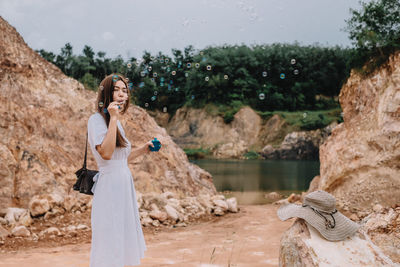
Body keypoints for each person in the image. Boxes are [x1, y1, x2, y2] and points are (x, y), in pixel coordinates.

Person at [87, 73, 153, 267]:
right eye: (116, 89)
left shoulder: (116, 123)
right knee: (110, 240)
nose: (122, 94)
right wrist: (113, 118)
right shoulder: (96, 120)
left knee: (122, 239)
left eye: (125, 90)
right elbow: (106, 155)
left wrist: (144, 149)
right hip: (109, 187)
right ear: (106, 93)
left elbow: (120, 159)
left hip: (123, 185)